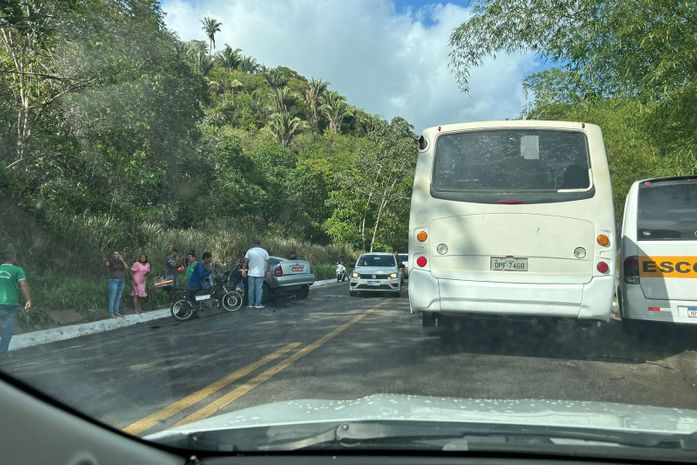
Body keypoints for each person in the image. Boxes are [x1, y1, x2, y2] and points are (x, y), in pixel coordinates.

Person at [0, 250, 31, 356]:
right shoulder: (17, 270)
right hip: (11, 305)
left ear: (2, 260)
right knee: (8, 329)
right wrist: (28, 299)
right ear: (13, 259)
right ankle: (2, 352)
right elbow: (23, 285)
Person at [241, 239, 271, 309]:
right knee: (259, 289)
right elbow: (268, 262)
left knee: (251, 289)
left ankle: (250, 304)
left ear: (253, 244)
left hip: (251, 273)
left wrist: (243, 270)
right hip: (260, 273)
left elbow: (245, 261)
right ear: (260, 244)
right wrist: (268, 271)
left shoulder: (250, 251)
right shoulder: (264, 251)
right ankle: (257, 304)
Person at [106, 251, 128, 318]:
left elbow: (127, 268)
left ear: (119, 255)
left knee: (118, 297)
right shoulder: (110, 261)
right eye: (114, 254)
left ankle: (117, 312)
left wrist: (122, 260)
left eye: (117, 254)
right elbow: (107, 264)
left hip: (121, 281)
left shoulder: (121, 262)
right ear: (112, 255)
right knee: (112, 297)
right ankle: (111, 313)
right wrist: (107, 261)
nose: (116, 255)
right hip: (113, 281)